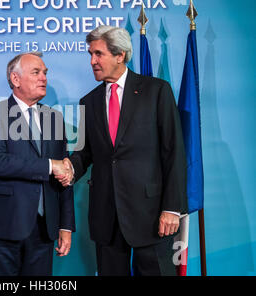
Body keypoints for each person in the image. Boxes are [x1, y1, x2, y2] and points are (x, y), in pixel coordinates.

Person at [57, 26, 187, 276]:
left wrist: (172, 208)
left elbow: (173, 152)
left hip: (151, 216)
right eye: (90, 55)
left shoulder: (156, 91)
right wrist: (70, 167)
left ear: (120, 55)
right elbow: (86, 153)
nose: (92, 61)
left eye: (98, 54)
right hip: (107, 217)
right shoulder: (89, 101)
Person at [0, 52, 75, 276]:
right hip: (4, 225)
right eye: (36, 72)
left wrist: (66, 225)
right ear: (15, 79)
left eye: (45, 73)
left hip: (44, 229)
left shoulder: (55, 118)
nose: (43, 78)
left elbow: (65, 173)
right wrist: (51, 165)